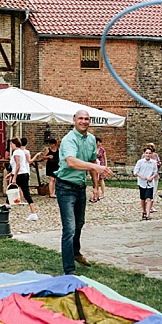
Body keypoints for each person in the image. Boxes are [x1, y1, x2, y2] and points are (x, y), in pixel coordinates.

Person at [56, 111, 115, 275]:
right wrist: (96, 166)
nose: (83, 121)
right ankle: (69, 270)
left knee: (79, 223)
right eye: (80, 118)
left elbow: (91, 162)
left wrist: (95, 187)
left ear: (90, 121)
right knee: (69, 228)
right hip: (65, 187)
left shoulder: (91, 139)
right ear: (74, 120)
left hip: (80, 187)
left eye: (86, 119)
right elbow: (71, 162)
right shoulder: (69, 139)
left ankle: (75, 252)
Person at [8, 138, 39, 221]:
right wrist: (10, 174)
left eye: (11, 144)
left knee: (11, 191)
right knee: (26, 193)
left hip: (19, 175)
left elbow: (18, 165)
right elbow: (18, 165)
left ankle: (4, 209)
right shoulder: (21, 151)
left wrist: (14, 177)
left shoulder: (16, 152)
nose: (10, 146)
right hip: (24, 173)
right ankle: (33, 212)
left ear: (15, 144)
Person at [132, 147, 159, 221]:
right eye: (146, 153)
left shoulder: (153, 162)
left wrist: (152, 177)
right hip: (142, 182)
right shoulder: (140, 162)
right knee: (143, 198)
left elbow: (155, 172)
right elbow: (135, 172)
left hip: (150, 183)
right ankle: (144, 211)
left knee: (149, 198)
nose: (148, 155)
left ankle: (148, 214)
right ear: (144, 154)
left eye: (149, 153)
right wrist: (142, 177)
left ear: (152, 154)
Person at [144, 143, 162, 213]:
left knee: (153, 191)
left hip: (154, 176)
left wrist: (158, 164)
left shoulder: (155, 155)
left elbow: (159, 163)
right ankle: (148, 206)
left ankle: (150, 206)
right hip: (146, 176)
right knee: (147, 191)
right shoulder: (144, 156)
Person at [91, 137, 108, 202]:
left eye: (100, 142)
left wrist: (105, 166)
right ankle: (96, 192)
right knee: (95, 179)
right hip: (95, 165)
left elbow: (105, 158)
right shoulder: (93, 149)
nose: (100, 144)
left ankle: (103, 193)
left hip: (101, 164)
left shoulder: (102, 150)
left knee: (101, 179)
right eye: (99, 142)